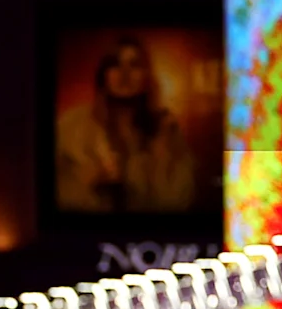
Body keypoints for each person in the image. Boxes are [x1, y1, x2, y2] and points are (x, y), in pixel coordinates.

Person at [55, 33, 201, 214]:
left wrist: (163, 159)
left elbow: (179, 203)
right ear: (104, 75)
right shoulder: (72, 126)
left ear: (146, 77)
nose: (124, 74)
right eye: (115, 64)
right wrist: (89, 180)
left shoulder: (165, 129)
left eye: (134, 65)